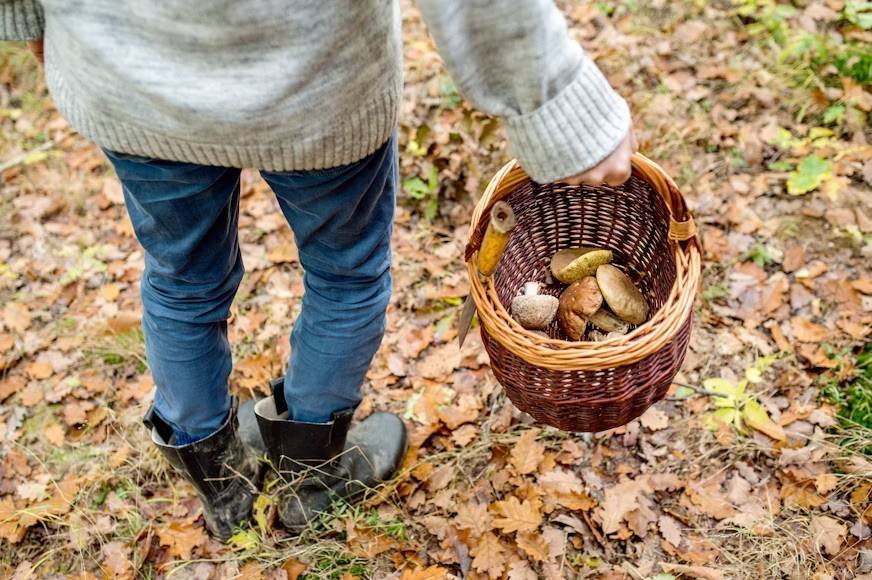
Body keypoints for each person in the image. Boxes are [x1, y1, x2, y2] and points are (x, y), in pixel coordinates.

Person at [0, 0, 637, 539]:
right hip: (313, 91)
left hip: (131, 79)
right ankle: (310, 478)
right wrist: (553, 102)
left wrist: (28, 19)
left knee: (180, 278)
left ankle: (223, 489)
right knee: (345, 275)